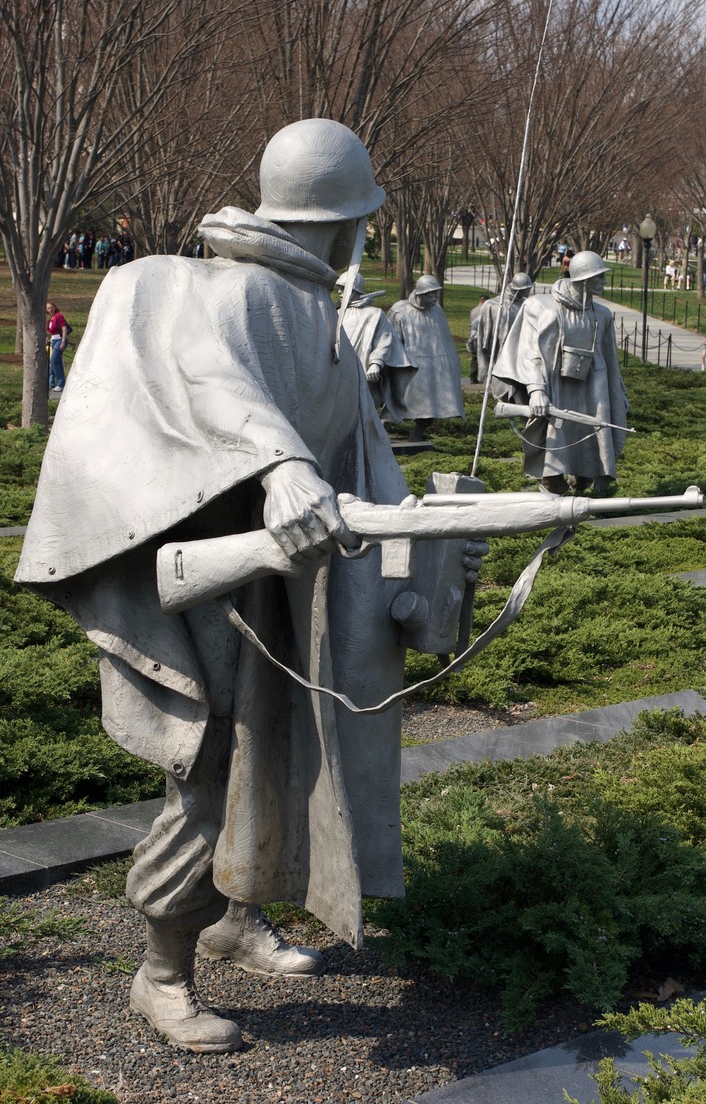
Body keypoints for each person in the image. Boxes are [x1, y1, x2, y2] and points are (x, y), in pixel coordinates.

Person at [17, 119, 481, 1055]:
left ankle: (234, 918)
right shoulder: (207, 291)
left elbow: (364, 460)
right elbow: (212, 379)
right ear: (347, 220)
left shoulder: (321, 322)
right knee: (207, 777)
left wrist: (440, 545)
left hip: (288, 590)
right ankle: (160, 974)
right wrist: (279, 468)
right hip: (208, 580)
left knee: (275, 760)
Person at [492, 249, 629, 495]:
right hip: (553, 383)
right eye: (599, 277)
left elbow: (610, 359)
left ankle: (586, 476)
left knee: (594, 431)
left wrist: (617, 391)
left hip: (592, 385)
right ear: (585, 280)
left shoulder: (602, 315)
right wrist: (536, 391)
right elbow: (530, 351)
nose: (604, 282)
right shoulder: (542, 308)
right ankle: (551, 480)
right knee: (556, 432)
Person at [387, 274, 465, 440]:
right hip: (409, 368)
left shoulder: (437, 311)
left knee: (432, 406)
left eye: (436, 293)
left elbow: (444, 340)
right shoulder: (400, 310)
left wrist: (451, 365)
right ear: (420, 294)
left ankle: (417, 433)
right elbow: (390, 340)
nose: (435, 297)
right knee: (396, 402)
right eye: (431, 294)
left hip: (434, 368)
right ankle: (380, 429)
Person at [334, 271, 416, 420]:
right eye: (339, 288)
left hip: (364, 372)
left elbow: (384, 341)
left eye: (343, 288)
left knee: (362, 414)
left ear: (355, 289)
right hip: (337, 371)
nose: (339, 292)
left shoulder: (374, 314)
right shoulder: (336, 313)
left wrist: (375, 364)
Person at [473, 272, 533, 385]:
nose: (529, 291)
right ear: (518, 289)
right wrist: (473, 332)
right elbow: (479, 321)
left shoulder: (525, 304)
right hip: (499, 345)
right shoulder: (494, 305)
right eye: (527, 289)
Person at [46, 301, 68, 391]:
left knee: (53, 361)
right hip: (54, 340)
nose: (50, 309)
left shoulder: (59, 316)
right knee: (57, 362)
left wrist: (63, 341)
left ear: (54, 307)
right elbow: (51, 332)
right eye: (48, 308)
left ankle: (60, 383)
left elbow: (64, 328)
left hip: (60, 339)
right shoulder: (51, 319)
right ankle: (60, 383)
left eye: (51, 307)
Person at [466, 295, 487, 383]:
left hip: (474, 336)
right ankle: (482, 377)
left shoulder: (473, 310)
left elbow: (472, 324)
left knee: (474, 360)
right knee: (484, 358)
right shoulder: (485, 311)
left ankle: (473, 377)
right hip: (482, 337)